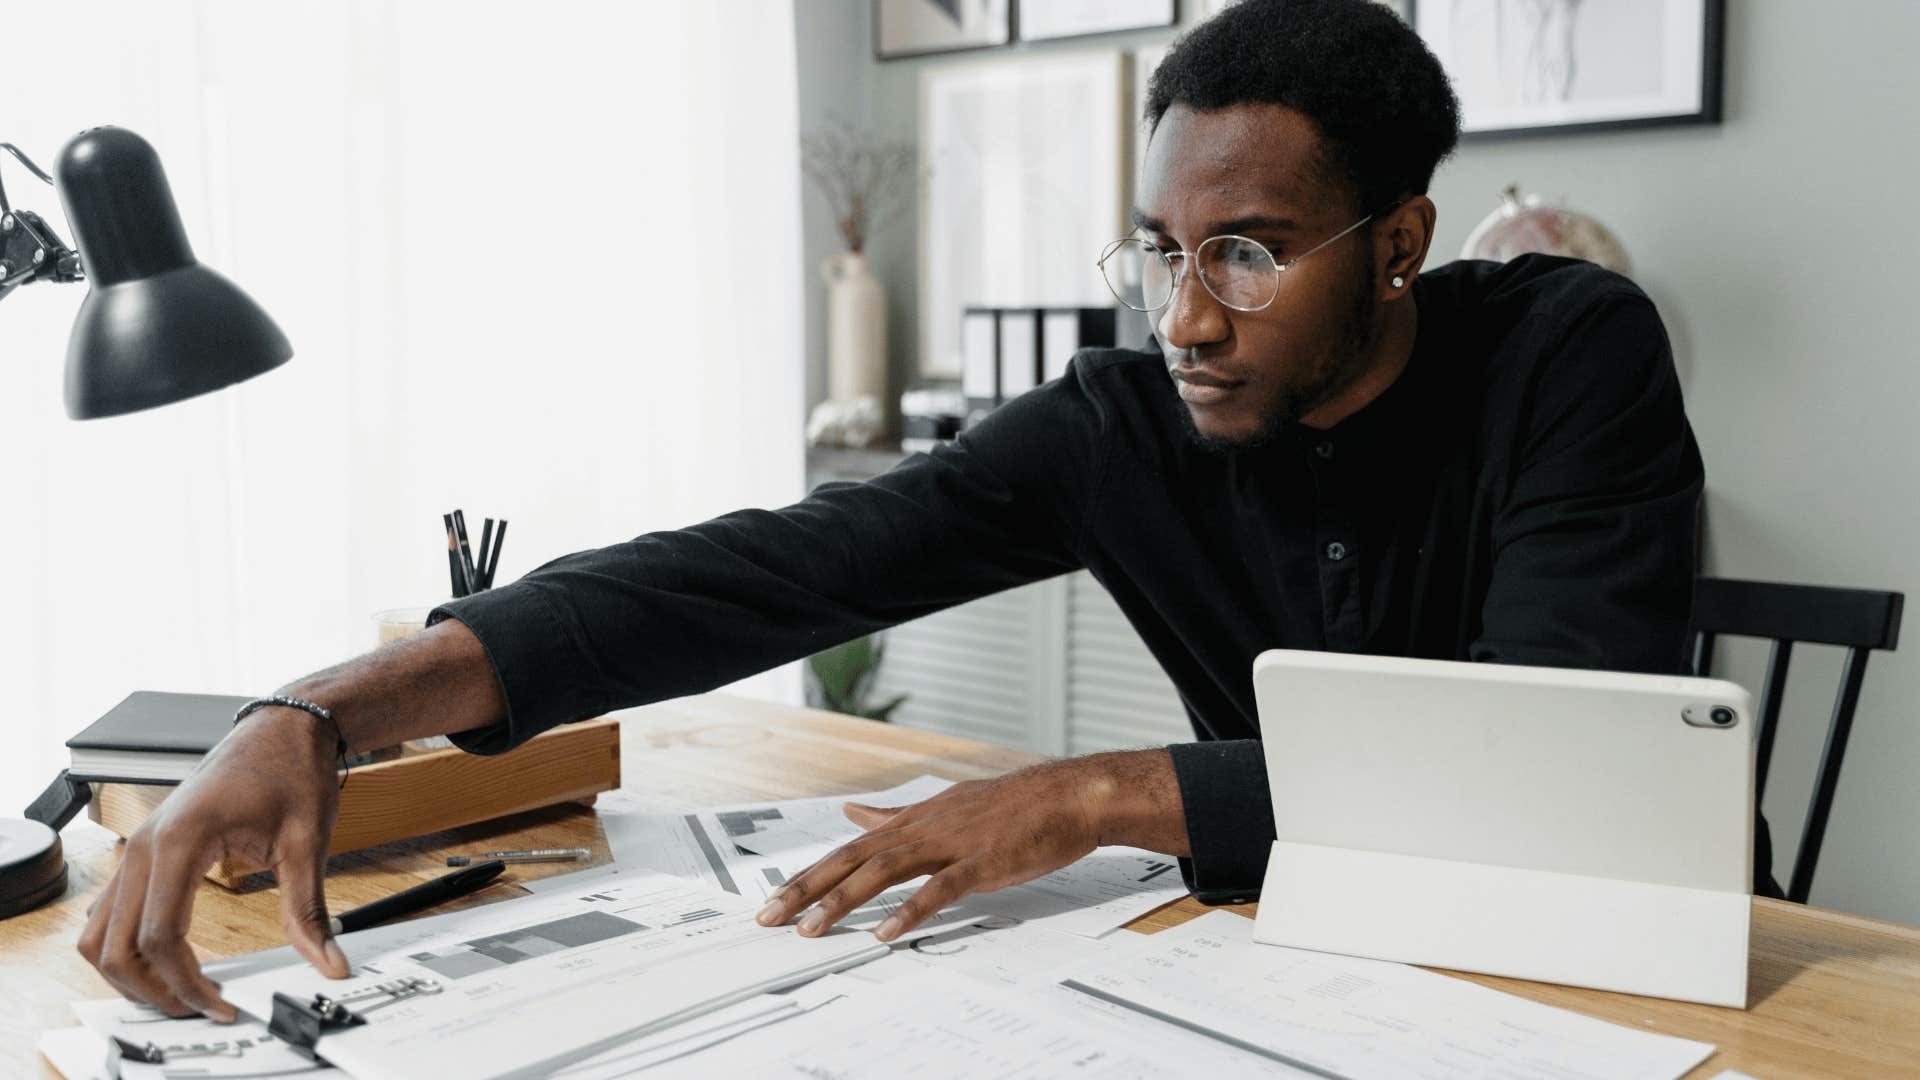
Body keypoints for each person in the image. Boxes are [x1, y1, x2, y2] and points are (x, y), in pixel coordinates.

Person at [80, 0, 1757, 1024]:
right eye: (1159, 252)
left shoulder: (1567, 345)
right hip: (1302, 959)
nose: (1184, 314)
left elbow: (1548, 752)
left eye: (1245, 251)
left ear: (1399, 244)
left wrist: (1092, 791)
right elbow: (774, 573)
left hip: (1600, 954)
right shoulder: (1126, 420)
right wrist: (321, 709)